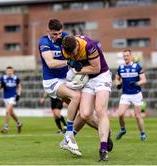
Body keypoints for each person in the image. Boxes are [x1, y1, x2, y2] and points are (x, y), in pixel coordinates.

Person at [39, 19, 113, 157]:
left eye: (60, 33)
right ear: (48, 32)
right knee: (77, 97)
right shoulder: (44, 42)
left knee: (85, 114)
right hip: (52, 81)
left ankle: (102, 132)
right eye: (54, 34)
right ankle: (68, 134)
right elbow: (50, 63)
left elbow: (90, 64)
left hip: (69, 79)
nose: (58, 36)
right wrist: (70, 63)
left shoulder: (67, 39)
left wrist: (75, 70)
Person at [61, 35, 112, 161]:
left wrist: (77, 71)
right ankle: (106, 131)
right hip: (87, 80)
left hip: (101, 76)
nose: (73, 55)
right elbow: (70, 65)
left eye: (74, 52)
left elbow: (96, 68)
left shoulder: (89, 46)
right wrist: (72, 69)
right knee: (84, 114)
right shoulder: (65, 49)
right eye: (70, 54)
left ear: (77, 45)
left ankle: (103, 149)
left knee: (100, 110)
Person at [115, 49, 147, 141]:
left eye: (127, 55)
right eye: (124, 56)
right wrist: (118, 84)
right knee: (120, 114)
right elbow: (116, 79)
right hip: (125, 95)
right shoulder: (121, 67)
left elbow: (144, 79)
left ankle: (142, 133)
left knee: (137, 116)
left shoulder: (137, 67)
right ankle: (122, 129)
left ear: (131, 56)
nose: (126, 57)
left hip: (136, 94)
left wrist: (137, 83)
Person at [0, 66, 22, 134]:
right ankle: (19, 123)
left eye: (11, 70)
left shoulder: (16, 78)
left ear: (13, 71)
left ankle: (6, 127)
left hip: (13, 96)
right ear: (6, 71)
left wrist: (18, 94)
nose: (9, 72)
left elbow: (19, 86)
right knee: (11, 113)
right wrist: (1, 85)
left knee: (7, 111)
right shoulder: (3, 78)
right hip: (6, 97)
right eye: (8, 71)